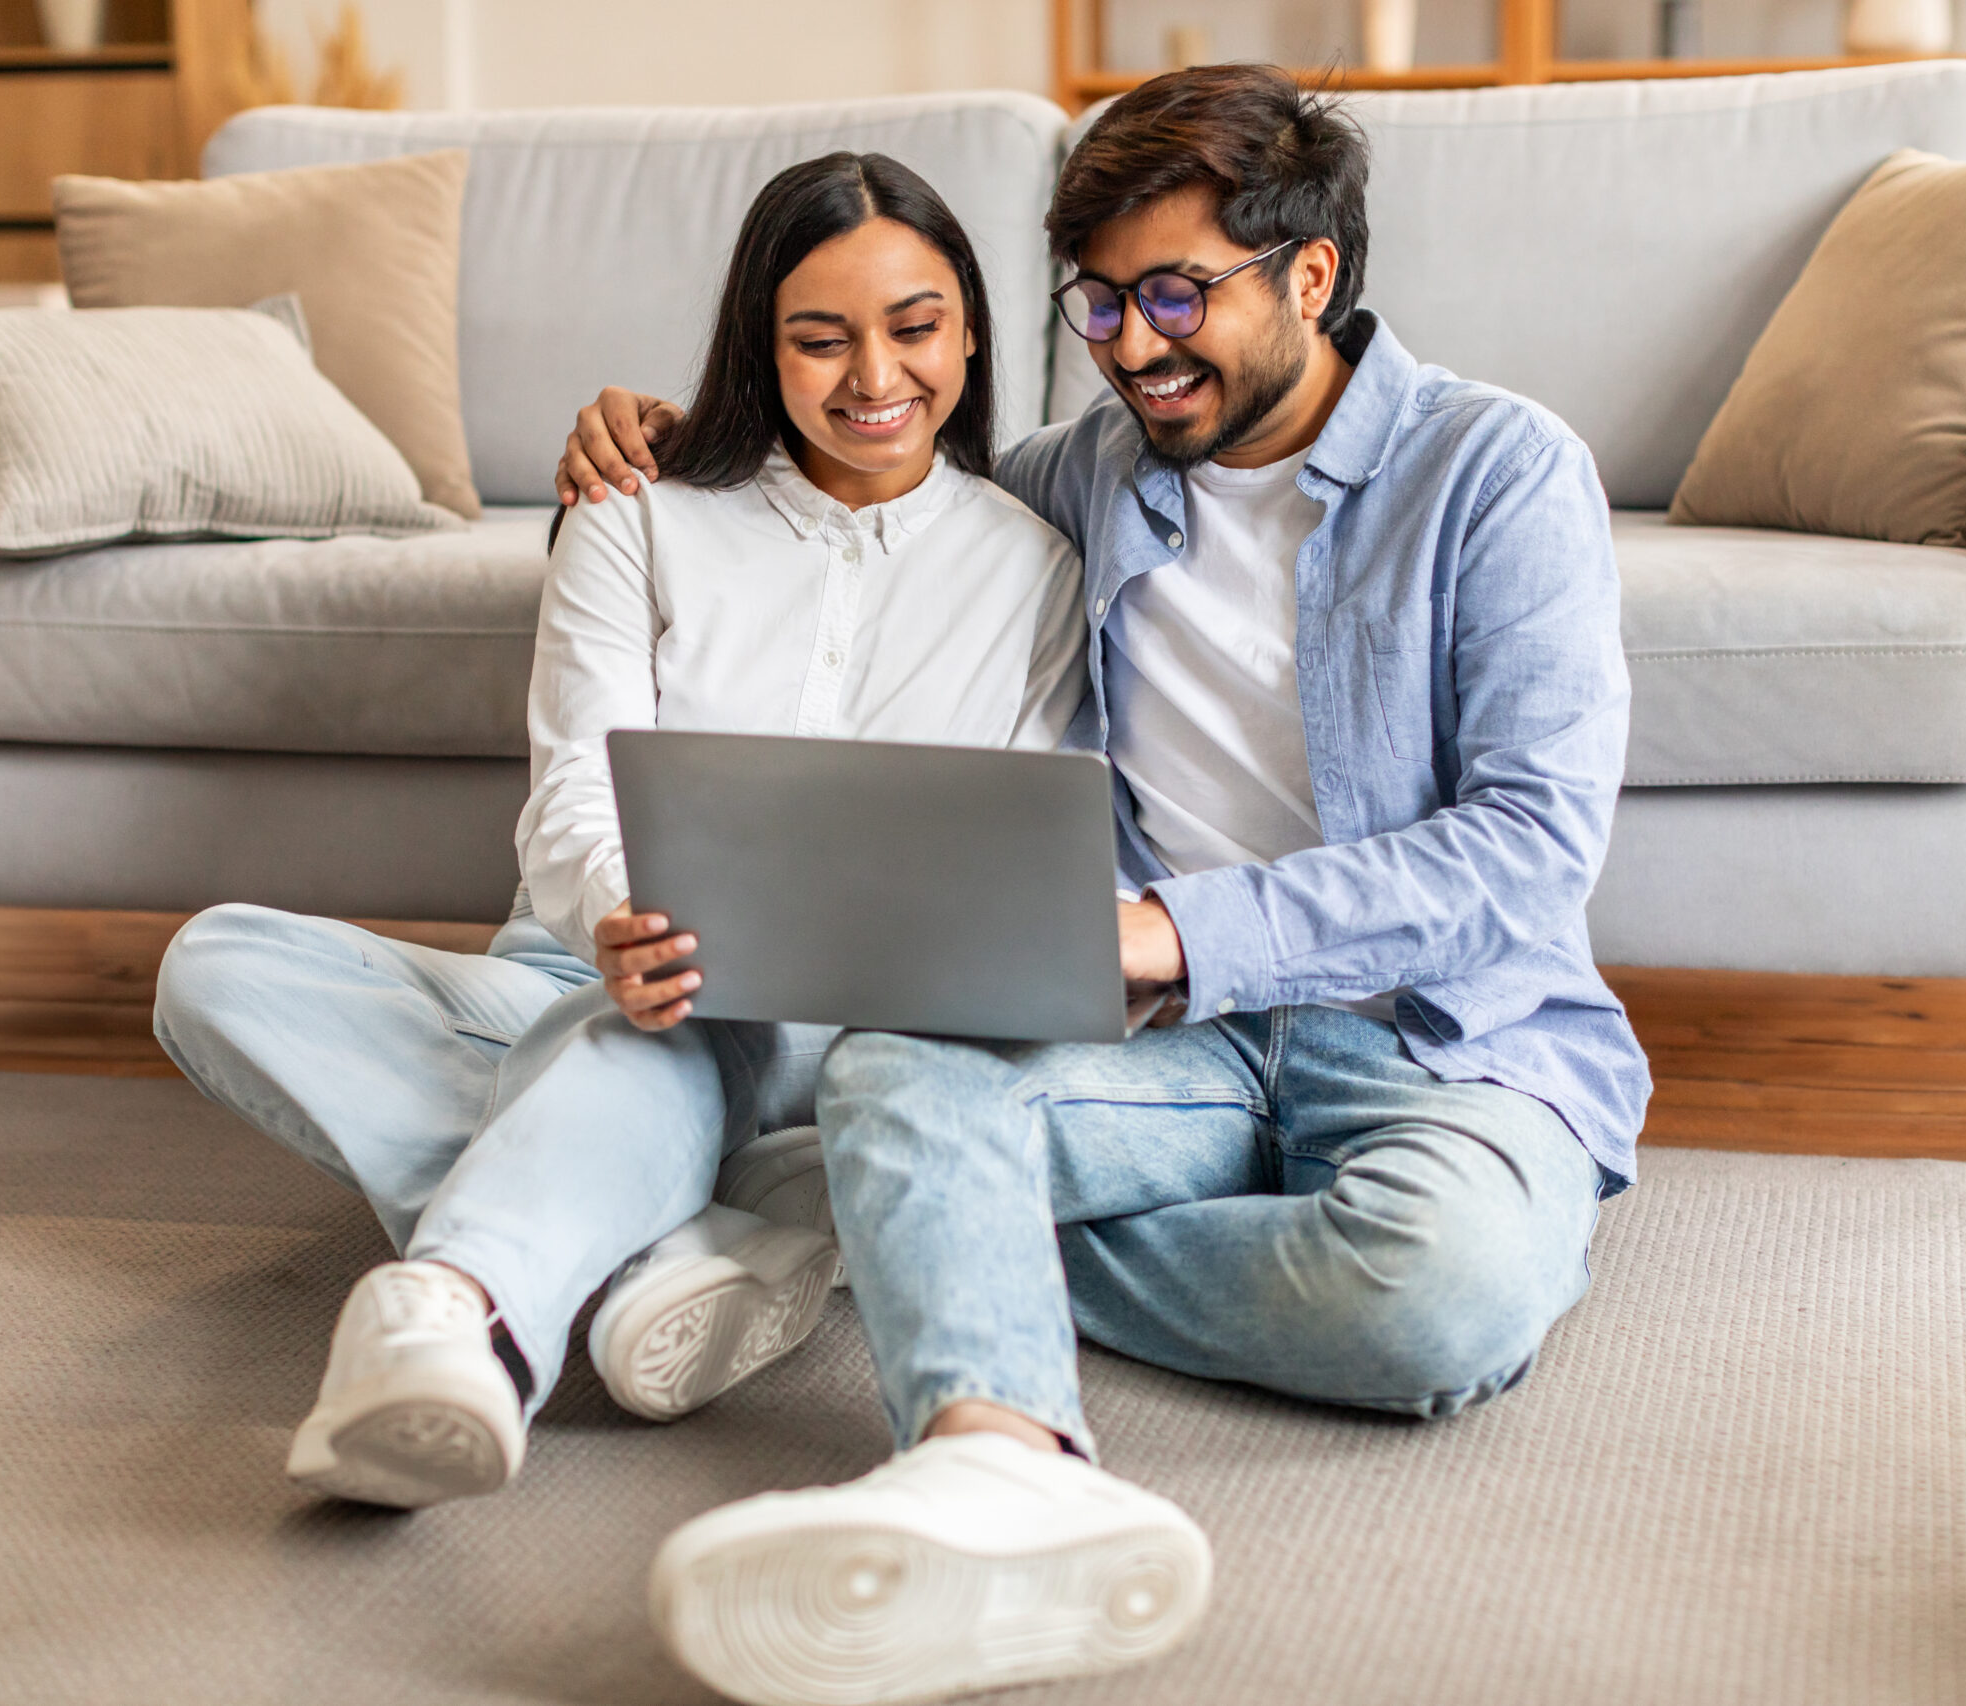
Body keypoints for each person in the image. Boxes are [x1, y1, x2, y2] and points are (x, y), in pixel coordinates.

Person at [556, 63, 1652, 1706]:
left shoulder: (1497, 472)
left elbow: (1529, 846)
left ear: (1314, 276)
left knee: (1436, 1293)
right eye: (1102, 305)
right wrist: (663, 430)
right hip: (1166, 1044)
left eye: (1175, 295)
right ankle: (1000, 1455)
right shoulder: (1086, 474)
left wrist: (1174, 927)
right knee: (896, 1070)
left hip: (1441, 1037)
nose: (1136, 346)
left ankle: (889, 1234)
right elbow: (877, 459)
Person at [151, 150, 1089, 1511]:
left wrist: (709, 960)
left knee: (680, 1017)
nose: (874, 376)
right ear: (759, 351)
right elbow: (574, 783)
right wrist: (616, 920)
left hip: (822, 1026)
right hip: (571, 961)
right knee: (216, 964)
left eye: (915, 327)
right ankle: (690, 1233)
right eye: (820, 339)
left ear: (973, 330)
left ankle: (462, 1311)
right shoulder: (639, 508)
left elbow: (1007, 846)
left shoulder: (1033, 568)